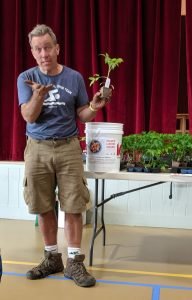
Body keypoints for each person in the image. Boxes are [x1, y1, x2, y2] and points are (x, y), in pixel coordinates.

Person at [17, 24, 111, 287]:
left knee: (73, 204)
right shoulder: (26, 78)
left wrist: (94, 106)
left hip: (69, 146)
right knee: (43, 205)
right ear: (33, 52)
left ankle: (74, 262)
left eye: (48, 47)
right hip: (37, 147)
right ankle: (51, 258)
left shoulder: (74, 78)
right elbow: (29, 116)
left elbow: (82, 114)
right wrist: (37, 96)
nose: (44, 53)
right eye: (38, 49)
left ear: (57, 48)